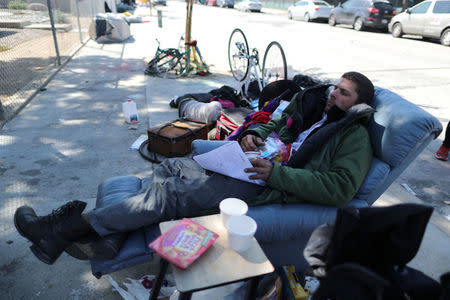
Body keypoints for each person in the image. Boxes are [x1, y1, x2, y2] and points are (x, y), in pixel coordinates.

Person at [14, 72, 375, 265]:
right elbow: (274, 127)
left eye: (344, 94)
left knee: (170, 194)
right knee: (171, 169)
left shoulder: (352, 136)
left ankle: (57, 233)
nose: (334, 95)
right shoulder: (316, 112)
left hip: (265, 183)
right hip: (249, 161)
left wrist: (276, 173)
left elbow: (341, 188)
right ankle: (108, 238)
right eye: (336, 88)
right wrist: (252, 136)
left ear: (358, 105)